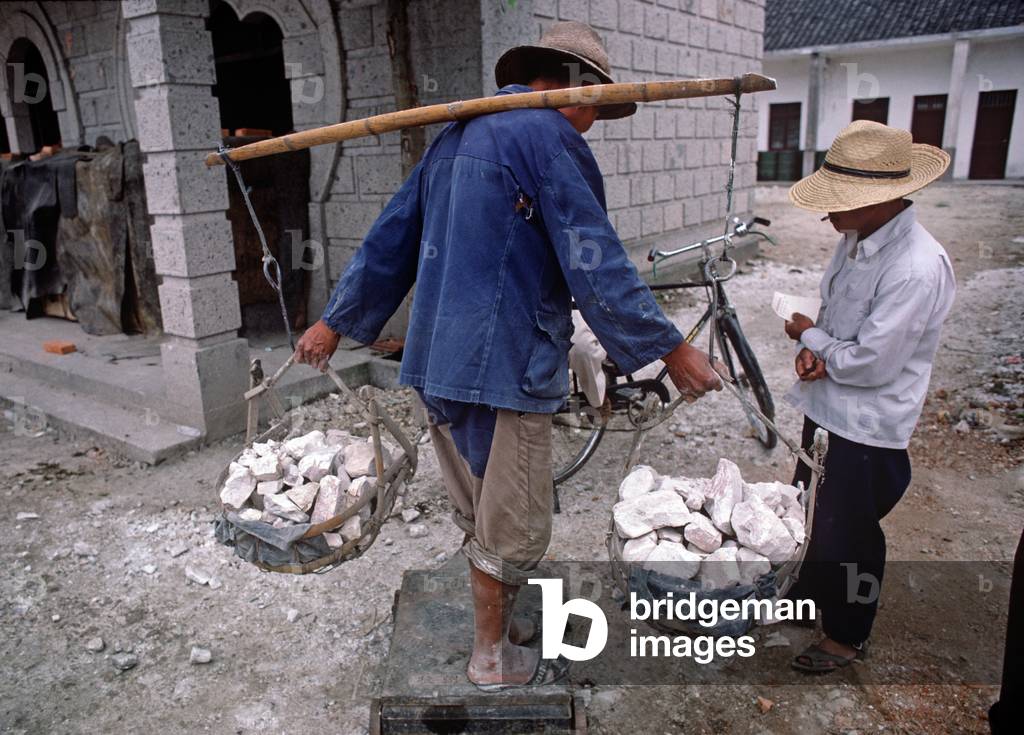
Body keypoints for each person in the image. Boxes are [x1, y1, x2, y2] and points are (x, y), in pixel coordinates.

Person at [293, 21, 722, 689]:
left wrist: (332, 322)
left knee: (480, 509)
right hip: (504, 365)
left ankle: (502, 629)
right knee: (513, 520)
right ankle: (490, 657)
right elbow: (594, 257)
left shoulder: (459, 133)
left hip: (439, 363)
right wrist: (671, 348)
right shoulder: (548, 135)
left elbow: (393, 236)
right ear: (578, 91)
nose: (591, 128)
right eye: (596, 113)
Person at [783, 120, 956, 673]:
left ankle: (846, 635)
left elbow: (872, 364)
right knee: (812, 511)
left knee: (850, 532)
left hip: (867, 425)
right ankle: (808, 597)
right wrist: (817, 353)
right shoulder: (856, 240)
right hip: (830, 410)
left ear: (879, 199)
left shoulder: (915, 268)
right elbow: (841, 328)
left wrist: (808, 335)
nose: (827, 215)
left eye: (837, 203)